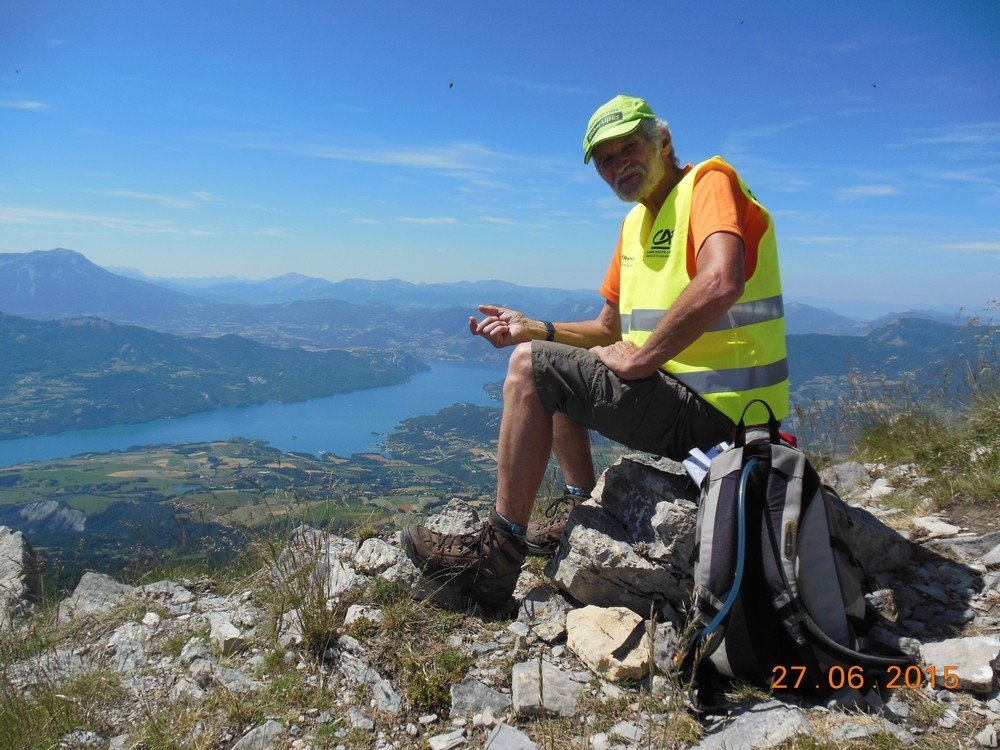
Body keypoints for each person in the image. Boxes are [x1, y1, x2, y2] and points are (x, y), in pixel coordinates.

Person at [402, 94, 789, 610]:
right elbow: (607, 329)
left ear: (664, 142)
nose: (617, 165)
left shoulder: (707, 183)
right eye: (605, 159)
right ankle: (580, 510)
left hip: (731, 418)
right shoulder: (634, 225)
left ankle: (495, 559)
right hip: (685, 407)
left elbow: (722, 279)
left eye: (630, 147)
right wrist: (533, 327)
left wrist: (643, 357)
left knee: (533, 370)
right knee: (549, 360)